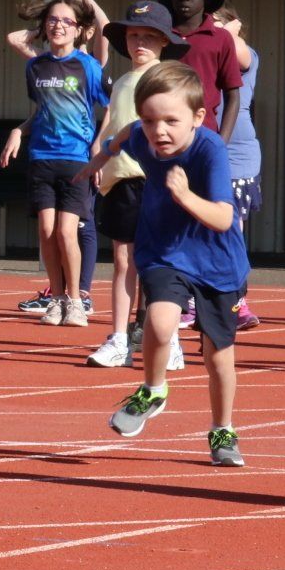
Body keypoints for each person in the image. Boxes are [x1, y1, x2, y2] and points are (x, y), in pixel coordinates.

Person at [83, 61, 249, 467]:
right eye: (150, 120)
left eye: (171, 121)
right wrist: (101, 157)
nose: (159, 131)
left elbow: (223, 218)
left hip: (217, 261)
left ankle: (222, 429)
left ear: (197, 117)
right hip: (164, 251)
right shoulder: (143, 136)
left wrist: (185, 196)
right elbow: (127, 133)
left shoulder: (210, 149)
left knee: (218, 356)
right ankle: (153, 389)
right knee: (159, 321)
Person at [78, 0, 188, 369]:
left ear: (164, 41)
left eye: (149, 36)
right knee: (124, 260)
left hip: (155, 181)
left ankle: (168, 340)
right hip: (121, 182)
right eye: (133, 35)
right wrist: (100, 150)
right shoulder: (123, 81)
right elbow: (114, 122)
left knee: (159, 263)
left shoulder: (168, 78)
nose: (139, 42)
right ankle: (120, 339)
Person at [0, 0, 105, 326]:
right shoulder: (35, 66)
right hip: (41, 157)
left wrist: (99, 146)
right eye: (53, 20)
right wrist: (19, 131)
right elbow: (44, 110)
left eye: (67, 21)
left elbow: (112, 105)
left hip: (76, 159)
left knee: (66, 232)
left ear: (79, 29)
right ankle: (56, 299)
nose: (59, 26)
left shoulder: (88, 66)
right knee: (46, 231)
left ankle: (76, 299)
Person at [153, 0, 242, 141]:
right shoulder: (159, 35)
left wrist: (221, 142)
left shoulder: (221, 38)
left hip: (204, 135)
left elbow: (233, 95)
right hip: (162, 136)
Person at [216, 6, 263, 330]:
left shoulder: (244, 54)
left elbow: (240, 52)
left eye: (216, 25)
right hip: (201, 146)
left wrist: (227, 30)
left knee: (232, 230)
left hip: (238, 154)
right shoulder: (200, 54)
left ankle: (237, 300)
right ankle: (194, 300)